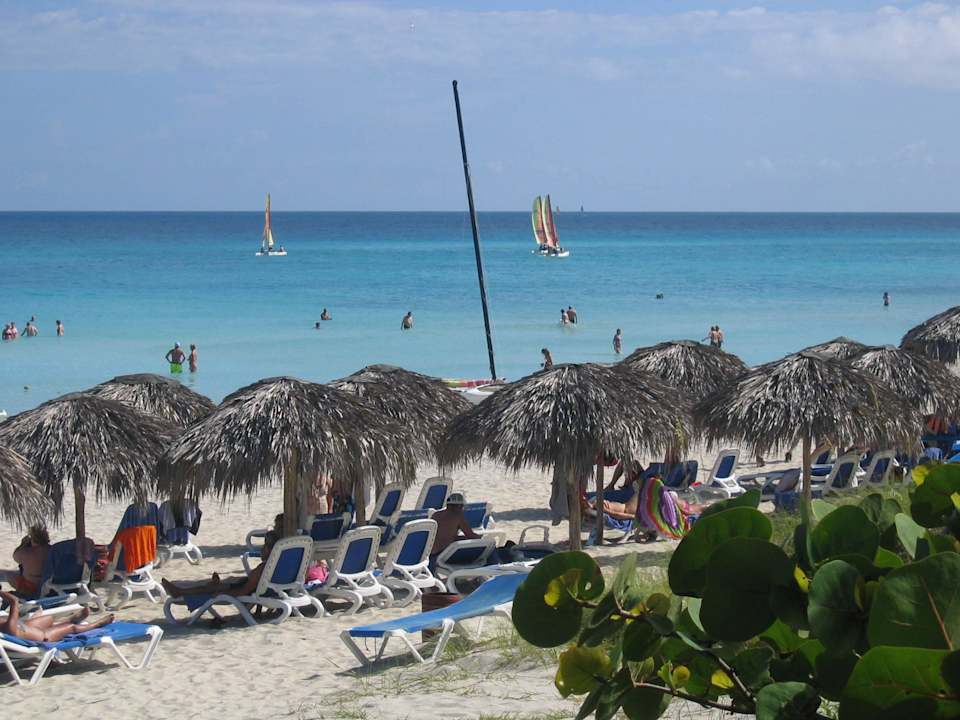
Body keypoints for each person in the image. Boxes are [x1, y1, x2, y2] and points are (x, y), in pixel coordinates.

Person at [163, 531, 279, 600]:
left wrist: (220, 594)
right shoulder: (275, 566)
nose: (262, 550)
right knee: (215, 586)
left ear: (271, 551)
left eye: (264, 547)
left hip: (241, 591)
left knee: (209, 589)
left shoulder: (263, 569)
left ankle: (180, 592)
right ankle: (184, 591)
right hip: (244, 587)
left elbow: (242, 592)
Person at [0, 590, 114, 642]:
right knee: (72, 627)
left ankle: (71, 619)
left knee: (48, 619)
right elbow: (14, 601)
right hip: (43, 636)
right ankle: (98, 623)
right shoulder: (9, 628)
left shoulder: (6, 625)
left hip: (26, 627)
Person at [428, 493, 480, 570]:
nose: (462, 509)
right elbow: (471, 535)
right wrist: (482, 538)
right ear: (459, 506)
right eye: (462, 507)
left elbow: (442, 535)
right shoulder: (457, 516)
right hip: (443, 555)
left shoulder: (436, 515)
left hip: (430, 554)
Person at [10, 525, 51, 596]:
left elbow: (15, 557)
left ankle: (21, 593)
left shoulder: (26, 552)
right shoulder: (52, 550)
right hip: (49, 585)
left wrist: (23, 544)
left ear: (33, 539)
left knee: (9, 576)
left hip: (31, 587)